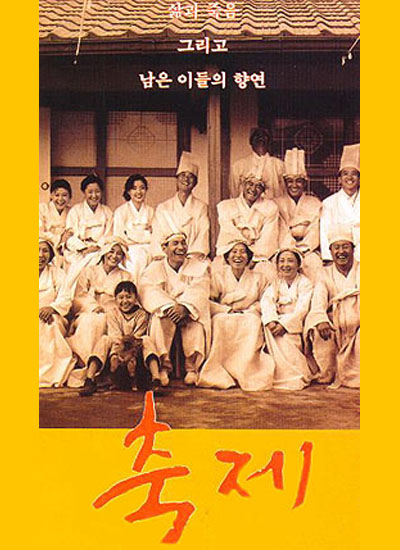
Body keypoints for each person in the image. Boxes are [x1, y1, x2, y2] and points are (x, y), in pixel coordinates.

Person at [197, 241, 275, 391]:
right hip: (224, 313)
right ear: (227, 257)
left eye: (242, 252)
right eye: (234, 252)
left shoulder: (259, 278)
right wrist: (226, 310)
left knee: (253, 322)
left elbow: (265, 301)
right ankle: (222, 370)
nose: (238, 256)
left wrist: (251, 310)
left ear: (249, 257)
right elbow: (208, 301)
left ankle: (245, 369)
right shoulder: (218, 277)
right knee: (219, 321)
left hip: (249, 314)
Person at [140, 232, 210, 387]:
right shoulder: (154, 268)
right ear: (164, 248)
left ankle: (192, 368)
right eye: (175, 243)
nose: (180, 247)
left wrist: (185, 306)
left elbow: (200, 288)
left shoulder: (198, 267)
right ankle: (162, 367)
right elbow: (147, 289)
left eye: (183, 243)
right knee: (159, 320)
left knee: (196, 321)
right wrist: (169, 307)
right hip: (167, 309)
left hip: (188, 308)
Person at [67, 238, 132, 386]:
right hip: (90, 310)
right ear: (104, 252)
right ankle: (87, 366)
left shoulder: (126, 276)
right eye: (111, 252)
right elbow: (79, 295)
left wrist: (113, 310)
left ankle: (103, 370)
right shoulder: (89, 271)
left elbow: (128, 298)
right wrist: (93, 307)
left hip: (115, 312)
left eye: (119, 254)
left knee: (108, 325)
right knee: (91, 322)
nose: (114, 256)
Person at [80, 281, 161, 396]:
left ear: (135, 298)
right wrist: (116, 356)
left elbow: (137, 337)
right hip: (116, 352)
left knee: (146, 339)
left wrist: (130, 355)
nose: (125, 301)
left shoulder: (141, 314)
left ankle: (156, 380)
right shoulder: (113, 313)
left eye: (129, 297)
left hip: (135, 354)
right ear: (115, 299)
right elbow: (115, 336)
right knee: (105, 339)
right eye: (121, 297)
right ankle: (89, 379)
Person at [304, 224, 359, 389]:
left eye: (345, 247)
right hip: (335, 322)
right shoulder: (324, 273)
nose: (341, 252)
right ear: (331, 251)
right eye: (336, 247)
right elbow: (318, 300)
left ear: (353, 249)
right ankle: (329, 372)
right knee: (319, 331)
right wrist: (321, 320)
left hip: (360, 323)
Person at [260, 248, 313, 390]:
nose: (286, 265)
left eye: (290, 261)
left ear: (298, 264)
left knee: (287, 340)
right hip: (277, 321)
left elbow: (302, 308)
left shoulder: (305, 283)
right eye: (282, 261)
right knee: (268, 331)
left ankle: (294, 374)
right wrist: (271, 320)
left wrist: (284, 325)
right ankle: (279, 374)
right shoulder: (276, 283)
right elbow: (267, 301)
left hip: (294, 323)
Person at [215, 173, 279, 280]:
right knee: (218, 271)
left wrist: (253, 259)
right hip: (231, 254)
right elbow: (229, 234)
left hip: (258, 256)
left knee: (268, 272)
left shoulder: (270, 207)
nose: (253, 189)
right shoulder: (226, 206)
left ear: (263, 190)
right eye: (250, 184)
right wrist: (241, 255)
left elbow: (268, 237)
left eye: (258, 186)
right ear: (243, 185)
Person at [274, 148, 323, 282]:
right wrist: (291, 249)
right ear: (285, 183)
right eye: (290, 181)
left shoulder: (315, 203)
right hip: (284, 249)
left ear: (305, 183)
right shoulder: (276, 203)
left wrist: (303, 249)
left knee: (314, 263)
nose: (294, 185)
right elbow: (280, 229)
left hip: (307, 250)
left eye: (299, 181)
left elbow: (314, 229)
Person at [150, 151, 210, 260]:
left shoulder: (201, 207)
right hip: (167, 259)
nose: (186, 179)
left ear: (195, 182)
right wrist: (167, 258)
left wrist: (191, 256)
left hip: (192, 257)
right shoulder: (163, 208)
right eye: (183, 175)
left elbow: (203, 234)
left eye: (190, 176)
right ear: (177, 179)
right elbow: (157, 236)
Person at [64, 174, 113, 288]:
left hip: (99, 250)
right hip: (79, 251)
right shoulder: (75, 211)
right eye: (90, 192)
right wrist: (84, 248)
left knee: (98, 263)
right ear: (84, 192)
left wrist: (97, 246)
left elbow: (109, 235)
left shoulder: (107, 212)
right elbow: (70, 237)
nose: (94, 196)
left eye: (97, 192)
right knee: (75, 268)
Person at [39, 236, 75, 387]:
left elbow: (66, 297)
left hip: (52, 315)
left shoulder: (57, 273)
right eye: (37, 250)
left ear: (51, 254)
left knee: (50, 325)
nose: (40, 255)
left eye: (45, 251)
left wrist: (52, 308)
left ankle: (50, 375)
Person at [320, 143, 360, 262]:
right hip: (339, 257)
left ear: (359, 179)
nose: (349, 178)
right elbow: (325, 232)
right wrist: (328, 259)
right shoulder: (329, 203)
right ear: (339, 179)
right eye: (345, 174)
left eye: (354, 174)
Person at [113, 174, 154, 286]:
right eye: (134, 188)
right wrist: (145, 234)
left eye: (142, 188)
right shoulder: (121, 211)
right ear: (128, 191)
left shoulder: (150, 211)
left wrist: (131, 234)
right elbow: (120, 236)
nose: (138, 192)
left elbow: (155, 236)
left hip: (148, 249)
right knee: (135, 261)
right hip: (128, 250)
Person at [229, 127, 286, 199]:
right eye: (257, 136)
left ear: (269, 142)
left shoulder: (279, 165)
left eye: (264, 136)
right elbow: (234, 194)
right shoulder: (238, 166)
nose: (261, 138)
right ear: (251, 141)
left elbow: (285, 193)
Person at [39, 179, 73, 269]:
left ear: (70, 197)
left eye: (64, 195)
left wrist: (64, 241)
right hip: (47, 245)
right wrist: (59, 238)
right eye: (57, 195)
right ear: (51, 195)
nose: (60, 199)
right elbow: (39, 232)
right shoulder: (42, 208)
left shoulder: (72, 211)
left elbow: (72, 232)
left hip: (65, 247)